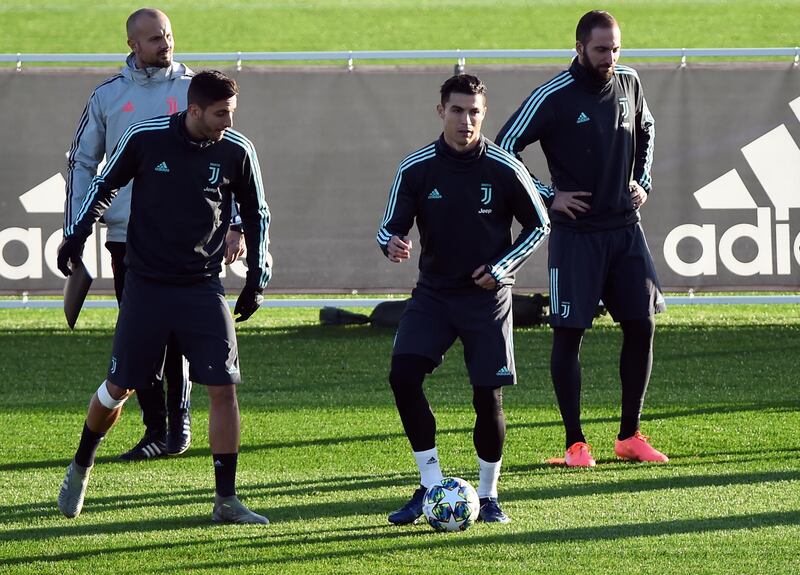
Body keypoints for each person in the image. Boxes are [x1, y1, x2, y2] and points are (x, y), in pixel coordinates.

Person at [57, 70, 271, 524]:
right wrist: (76, 236)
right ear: (193, 111)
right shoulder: (145, 137)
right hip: (147, 285)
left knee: (224, 387)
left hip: (203, 285)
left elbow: (256, 214)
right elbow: (104, 185)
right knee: (119, 388)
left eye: (232, 113)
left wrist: (256, 277)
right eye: (220, 114)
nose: (227, 123)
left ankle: (226, 499)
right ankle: (81, 465)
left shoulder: (238, 150)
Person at [63, 7, 246, 461]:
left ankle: (177, 427)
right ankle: (157, 428)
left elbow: (231, 160)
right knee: (141, 338)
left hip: (191, 239)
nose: (165, 45)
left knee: (181, 337)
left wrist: (236, 223)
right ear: (132, 46)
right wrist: (76, 227)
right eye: (154, 39)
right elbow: (83, 162)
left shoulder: (194, 90)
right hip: (127, 235)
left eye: (168, 36)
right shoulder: (108, 96)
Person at [496, 10, 668, 467]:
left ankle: (629, 435)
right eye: (600, 50)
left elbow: (648, 129)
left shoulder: (630, 82)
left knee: (642, 325)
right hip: (576, 238)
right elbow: (504, 147)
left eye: (615, 48)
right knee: (570, 334)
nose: (609, 57)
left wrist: (642, 182)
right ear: (579, 48)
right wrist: (550, 195)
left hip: (625, 231)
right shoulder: (553, 96)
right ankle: (576, 444)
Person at [377, 74, 550, 525]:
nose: (466, 121)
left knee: (486, 395)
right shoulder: (415, 167)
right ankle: (431, 485)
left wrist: (500, 268)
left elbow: (540, 225)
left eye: (474, 112)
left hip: (486, 300)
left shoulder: (504, 167)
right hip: (434, 294)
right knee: (403, 375)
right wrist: (392, 243)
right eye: (457, 111)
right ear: (441, 112)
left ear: (484, 114)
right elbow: (388, 227)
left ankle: (489, 496)